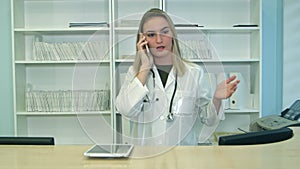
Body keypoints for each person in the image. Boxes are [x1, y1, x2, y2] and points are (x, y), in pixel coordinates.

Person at [116, 8, 240, 145]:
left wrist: (216, 99)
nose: (159, 39)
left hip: (183, 158)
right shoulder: (135, 73)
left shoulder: (194, 72)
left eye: (164, 32)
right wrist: (145, 67)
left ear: (173, 35)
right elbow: (126, 110)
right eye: (151, 35)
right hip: (147, 157)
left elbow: (209, 120)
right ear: (142, 40)